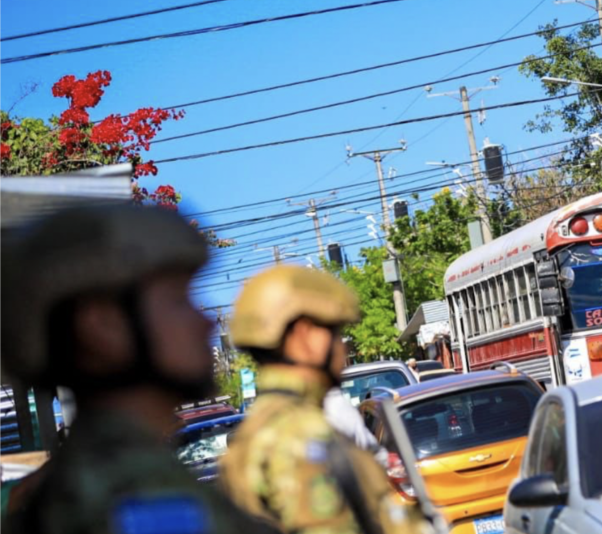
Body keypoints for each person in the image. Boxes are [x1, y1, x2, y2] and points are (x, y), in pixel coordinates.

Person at [0, 204, 276, 533]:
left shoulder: (93, 486)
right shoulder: (133, 500)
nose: (204, 322)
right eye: (177, 299)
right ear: (103, 327)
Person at [220, 265, 429, 534]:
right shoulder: (304, 440)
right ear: (305, 336)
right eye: (335, 333)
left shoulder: (254, 436)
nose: (342, 348)